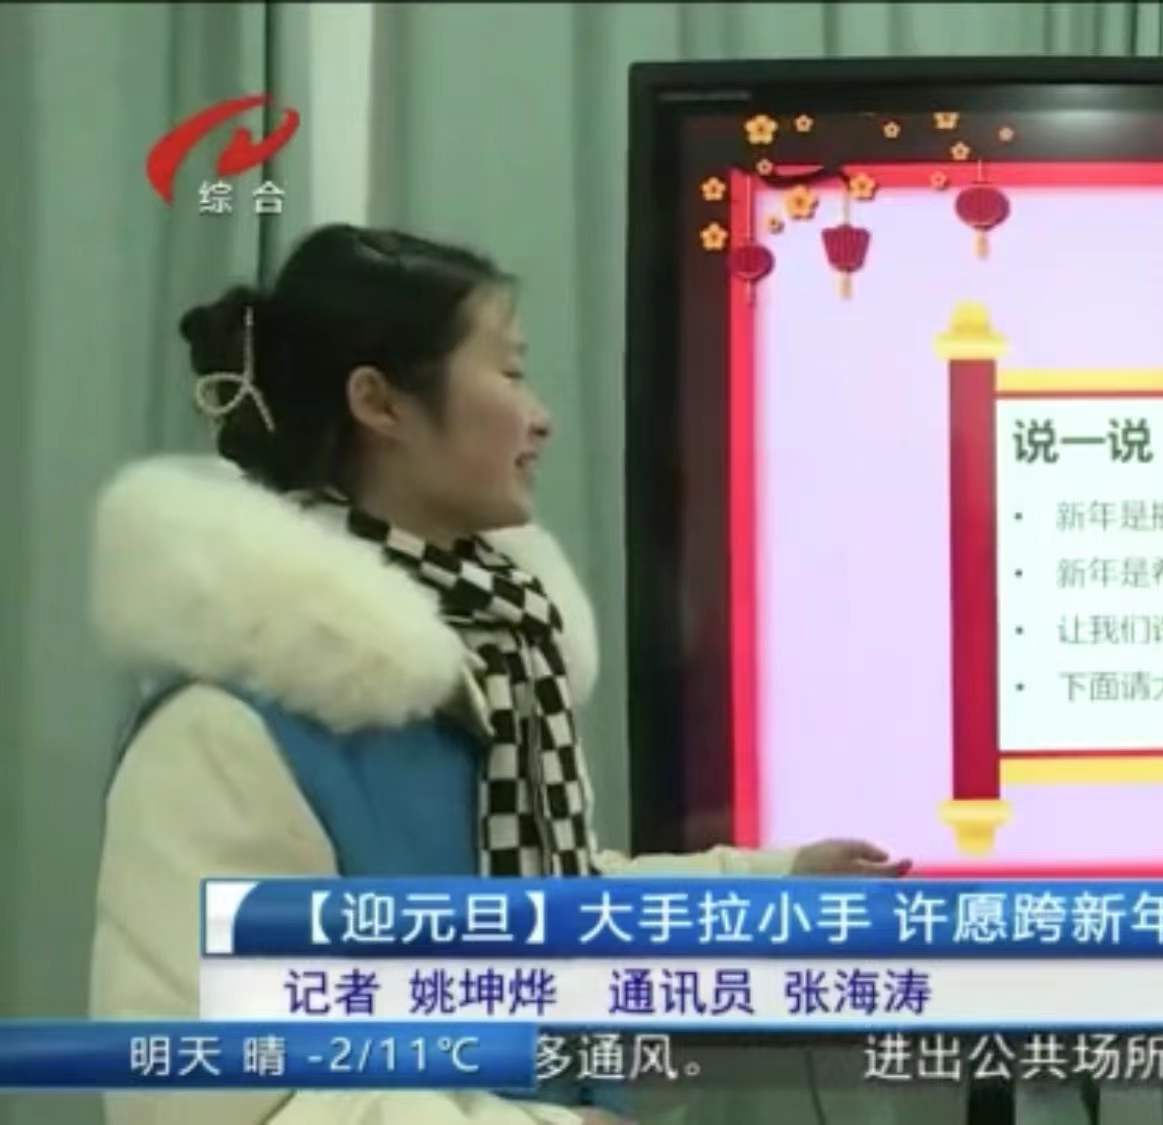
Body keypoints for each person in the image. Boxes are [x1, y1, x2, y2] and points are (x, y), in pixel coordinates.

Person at [89, 224, 910, 1125]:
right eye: (511, 372)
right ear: (380, 403)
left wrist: (777, 888)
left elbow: (551, 901)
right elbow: (217, 1102)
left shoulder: (499, 653)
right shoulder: (224, 732)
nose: (540, 416)